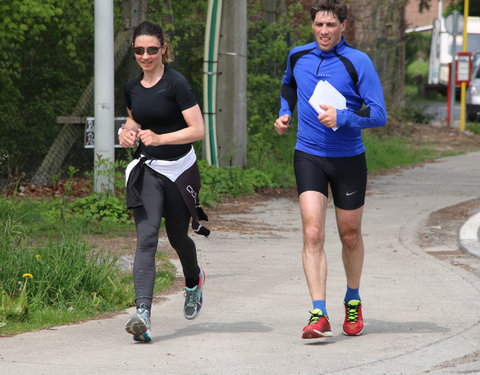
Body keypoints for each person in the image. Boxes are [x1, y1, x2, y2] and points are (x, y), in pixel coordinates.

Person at [274, 0, 387, 339]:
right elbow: (288, 84)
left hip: (348, 157)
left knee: (349, 234)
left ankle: (353, 300)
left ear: (343, 27)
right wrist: (284, 112)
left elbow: (379, 114)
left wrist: (345, 118)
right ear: (313, 26)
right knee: (313, 233)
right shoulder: (298, 55)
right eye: (319, 25)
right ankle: (318, 312)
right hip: (308, 154)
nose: (324, 31)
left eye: (330, 25)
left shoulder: (358, 62)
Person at [120, 20, 209, 343]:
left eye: (152, 50)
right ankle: (142, 314)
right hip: (149, 170)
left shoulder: (177, 84)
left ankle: (193, 280)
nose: (146, 56)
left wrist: (160, 138)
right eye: (139, 50)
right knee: (146, 238)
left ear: (163, 49)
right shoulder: (131, 87)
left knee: (177, 237)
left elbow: (198, 130)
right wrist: (126, 132)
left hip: (180, 170)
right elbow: (133, 119)